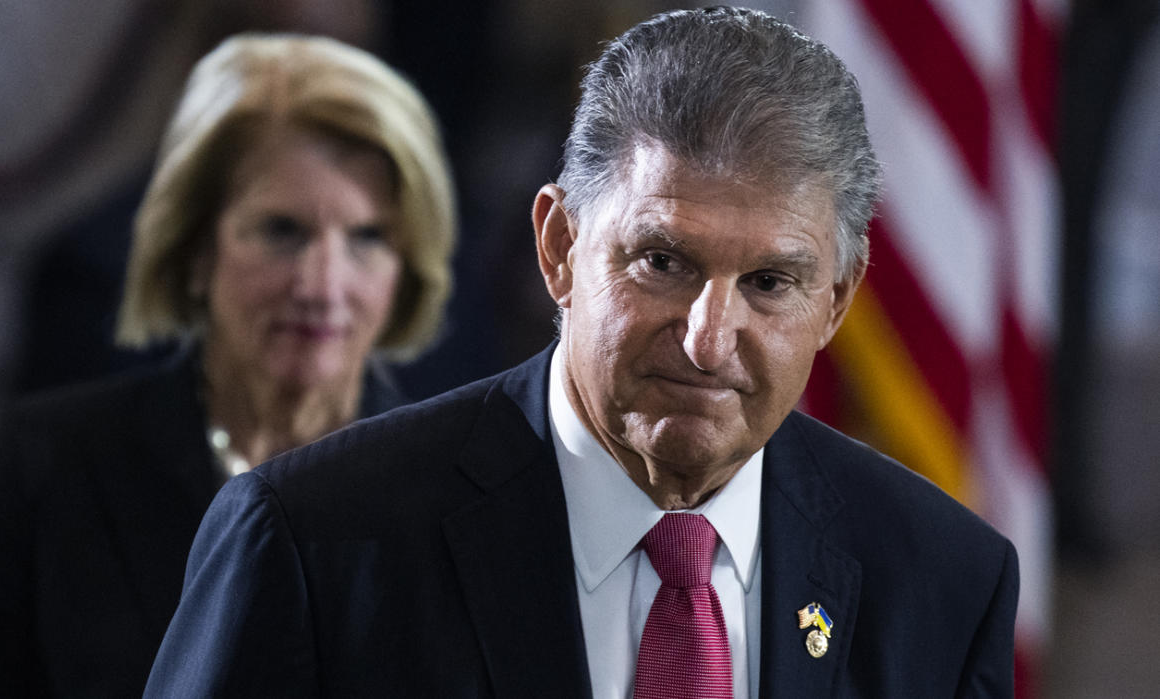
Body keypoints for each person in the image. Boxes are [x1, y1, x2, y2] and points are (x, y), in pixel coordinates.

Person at [144, 8, 1018, 698]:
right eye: (664, 262)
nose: (709, 339)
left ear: (836, 299)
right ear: (559, 246)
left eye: (769, 283)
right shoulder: (313, 544)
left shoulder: (941, 579)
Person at [0, 34, 456, 698]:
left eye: (367, 238)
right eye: (282, 231)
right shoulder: (46, 469)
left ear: (407, 269)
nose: (323, 283)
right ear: (197, 248)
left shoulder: (457, 498)